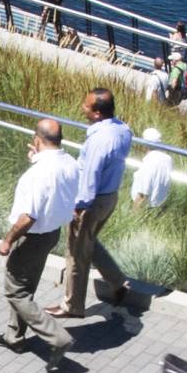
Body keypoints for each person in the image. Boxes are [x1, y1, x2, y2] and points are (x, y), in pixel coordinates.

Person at [0, 117, 79, 373]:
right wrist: (37, 159)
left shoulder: (36, 174)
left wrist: (8, 240)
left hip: (32, 237)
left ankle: (58, 339)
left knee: (15, 292)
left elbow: (28, 217)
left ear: (37, 140)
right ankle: (14, 337)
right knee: (26, 286)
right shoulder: (71, 163)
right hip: (52, 234)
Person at [51, 87, 132, 317]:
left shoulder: (99, 141)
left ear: (97, 113)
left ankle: (72, 305)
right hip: (110, 196)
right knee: (89, 243)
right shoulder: (123, 130)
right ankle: (117, 282)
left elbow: (90, 175)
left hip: (92, 202)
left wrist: (78, 205)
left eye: (86, 105)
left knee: (77, 253)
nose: (82, 108)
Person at [132, 127, 173, 209]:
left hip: (144, 207)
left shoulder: (150, 161)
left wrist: (133, 213)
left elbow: (143, 193)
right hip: (159, 206)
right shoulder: (168, 159)